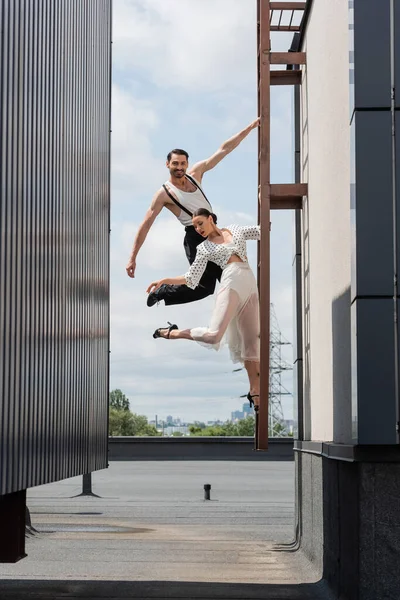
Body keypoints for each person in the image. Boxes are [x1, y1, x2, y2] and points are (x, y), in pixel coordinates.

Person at [126, 119, 260, 307]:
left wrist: (250, 128)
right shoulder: (164, 194)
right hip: (195, 236)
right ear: (167, 164)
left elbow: (224, 150)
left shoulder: (196, 175)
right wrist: (133, 257)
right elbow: (146, 224)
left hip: (213, 230)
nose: (179, 167)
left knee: (232, 279)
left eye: (182, 164)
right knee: (204, 287)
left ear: (187, 164)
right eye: (175, 164)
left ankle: (243, 319)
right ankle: (164, 291)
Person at [146, 208, 261, 409]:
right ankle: (173, 333)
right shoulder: (204, 248)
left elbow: (261, 230)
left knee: (252, 343)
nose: (198, 228)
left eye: (200, 223)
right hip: (231, 281)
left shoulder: (235, 229)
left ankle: (255, 392)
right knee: (213, 336)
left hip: (250, 282)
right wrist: (164, 280)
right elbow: (190, 278)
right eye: (195, 226)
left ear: (211, 218)